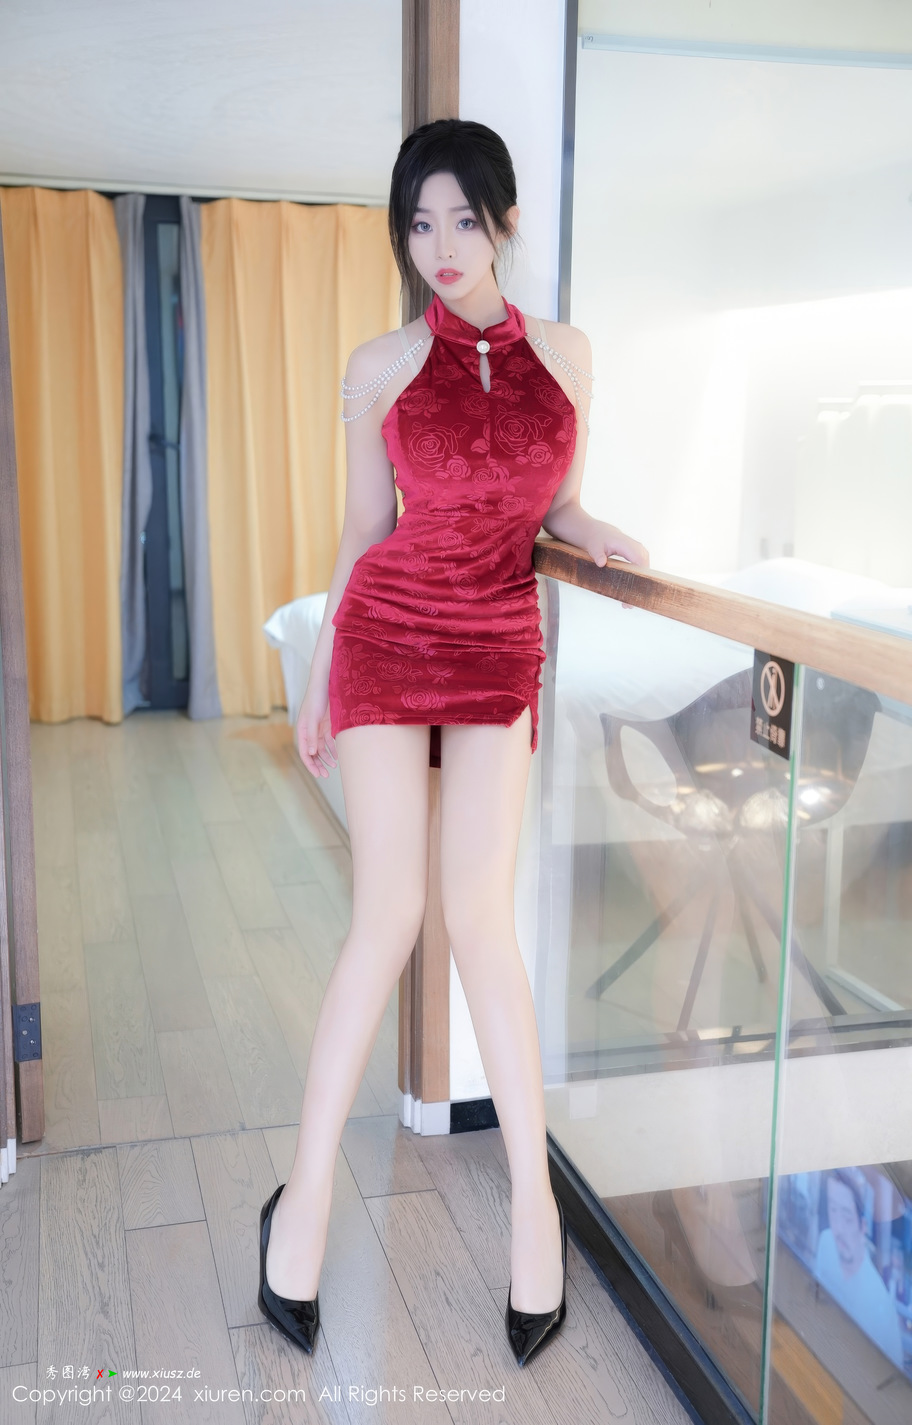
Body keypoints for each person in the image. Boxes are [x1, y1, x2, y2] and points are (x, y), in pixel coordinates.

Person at [256, 118, 648, 1366]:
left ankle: (534, 1216)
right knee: (386, 919)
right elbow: (361, 531)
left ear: (503, 222)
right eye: (418, 223)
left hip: (495, 642)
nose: (439, 245)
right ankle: (302, 1208)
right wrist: (320, 675)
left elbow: (555, 499)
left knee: (480, 923)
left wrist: (597, 534)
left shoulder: (567, 355)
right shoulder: (379, 364)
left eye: (462, 220)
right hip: (388, 636)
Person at [815, 1170, 904, 1370]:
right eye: (833, 1211)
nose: (838, 1229)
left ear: (863, 1226)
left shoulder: (879, 1303)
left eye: (847, 1218)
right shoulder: (826, 1241)